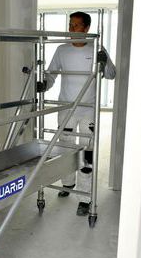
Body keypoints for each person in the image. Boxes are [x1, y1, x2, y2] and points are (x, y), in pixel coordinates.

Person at [41, 11, 116, 216]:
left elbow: (111, 74)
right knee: (64, 147)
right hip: (66, 108)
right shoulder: (62, 50)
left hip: (88, 110)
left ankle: (84, 198)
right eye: (70, 25)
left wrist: (104, 62)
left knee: (86, 153)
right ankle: (68, 183)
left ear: (86, 28)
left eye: (76, 26)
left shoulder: (97, 48)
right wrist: (43, 85)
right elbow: (51, 74)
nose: (71, 30)